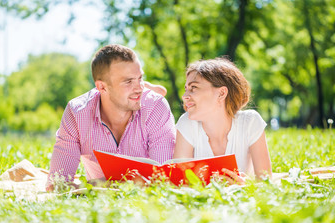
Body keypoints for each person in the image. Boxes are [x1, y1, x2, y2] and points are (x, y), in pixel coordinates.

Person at [46, 44, 176, 191]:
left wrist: (98, 185)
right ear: (101, 87)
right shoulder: (77, 112)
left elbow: (164, 179)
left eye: (140, 78)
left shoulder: (156, 106)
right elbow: (57, 183)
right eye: (128, 81)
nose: (139, 88)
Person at [173, 58, 272, 184]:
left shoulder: (250, 123)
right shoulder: (187, 123)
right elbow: (179, 183)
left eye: (193, 87)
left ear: (221, 93)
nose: (184, 95)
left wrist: (244, 185)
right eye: (186, 88)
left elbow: (266, 183)